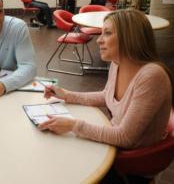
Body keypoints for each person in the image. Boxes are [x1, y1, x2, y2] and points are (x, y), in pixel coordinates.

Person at [39, 9, 173, 150]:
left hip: (132, 156)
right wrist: (67, 95)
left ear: (129, 37)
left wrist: (73, 125)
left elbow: (125, 138)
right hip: (112, 141)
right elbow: (107, 95)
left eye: (107, 33)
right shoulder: (117, 63)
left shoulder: (152, 76)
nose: (98, 40)